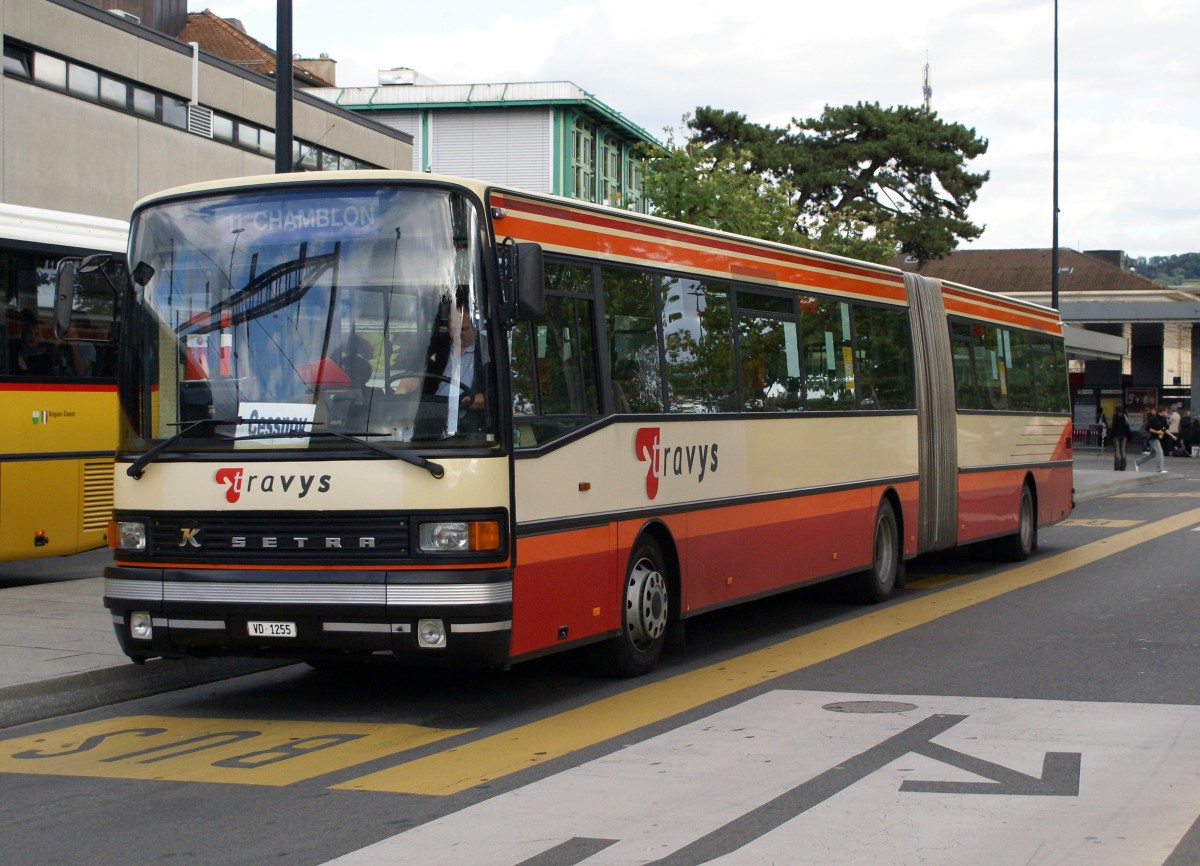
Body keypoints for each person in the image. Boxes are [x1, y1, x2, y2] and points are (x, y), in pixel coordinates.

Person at [1134, 406, 1168, 474]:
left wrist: (1162, 432)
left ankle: (1138, 462)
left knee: (1153, 454)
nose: (1166, 413)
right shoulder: (1154, 418)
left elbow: (1164, 426)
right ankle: (1159, 469)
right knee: (1159, 452)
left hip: (1158, 437)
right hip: (1152, 437)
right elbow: (1147, 428)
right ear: (1162, 411)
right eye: (1165, 411)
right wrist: (1157, 432)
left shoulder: (1163, 418)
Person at [1109, 405, 1131, 471]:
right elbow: (1127, 426)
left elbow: (1113, 426)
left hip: (1116, 435)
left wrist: (1111, 436)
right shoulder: (1125, 416)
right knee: (1123, 451)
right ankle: (1123, 466)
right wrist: (1129, 435)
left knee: (1117, 451)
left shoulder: (1115, 416)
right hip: (1124, 436)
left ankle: (1117, 466)